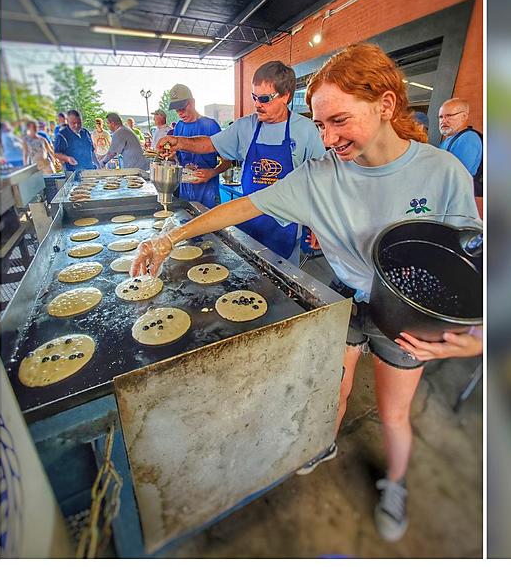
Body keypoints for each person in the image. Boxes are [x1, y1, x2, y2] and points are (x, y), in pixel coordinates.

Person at [134, 43, 482, 542]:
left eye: (339, 121)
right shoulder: (320, 177)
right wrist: (168, 236)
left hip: (409, 310)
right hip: (344, 295)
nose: (328, 138)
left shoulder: (441, 171)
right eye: (319, 125)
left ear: (385, 105)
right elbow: (246, 205)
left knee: (393, 412)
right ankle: (321, 442)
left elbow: (473, 262)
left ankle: (397, 483)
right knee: (331, 389)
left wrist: (479, 335)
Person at [157, 61, 325, 262]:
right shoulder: (246, 126)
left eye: (264, 98)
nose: (257, 104)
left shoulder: (305, 130)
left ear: (286, 96)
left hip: (284, 227)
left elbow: (321, 181)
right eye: (254, 97)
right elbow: (210, 144)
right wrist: (179, 142)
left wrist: (319, 224)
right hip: (247, 219)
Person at [158, 83, 229, 208]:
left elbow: (228, 161)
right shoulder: (179, 127)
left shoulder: (210, 126)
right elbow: (177, 160)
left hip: (208, 192)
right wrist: (169, 156)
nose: (180, 113)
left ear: (193, 102)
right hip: (185, 191)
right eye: (176, 110)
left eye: (183, 108)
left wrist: (212, 173)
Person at [437, 98, 483, 197]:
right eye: (441, 117)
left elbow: (456, 177)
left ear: (464, 116)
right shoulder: (450, 139)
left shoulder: (468, 139)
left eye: (449, 116)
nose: (443, 121)